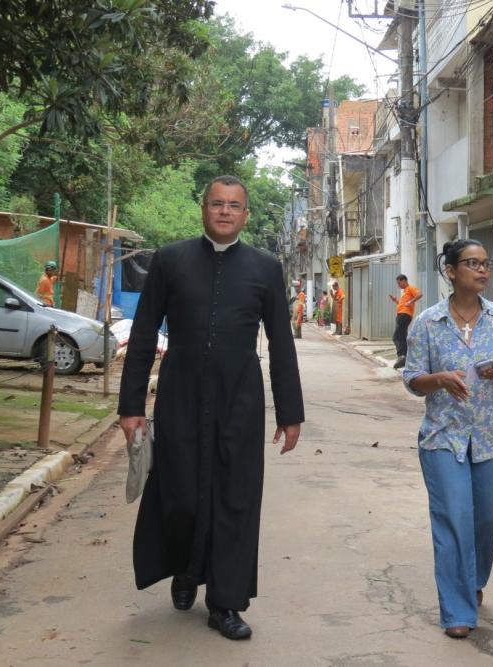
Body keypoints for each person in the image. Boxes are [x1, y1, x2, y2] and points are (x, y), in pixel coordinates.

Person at [118, 175, 304, 640]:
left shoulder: (265, 267)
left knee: (236, 497)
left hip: (240, 397)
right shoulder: (170, 260)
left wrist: (290, 412)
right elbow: (143, 333)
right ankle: (185, 569)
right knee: (180, 491)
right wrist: (131, 405)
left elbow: (281, 341)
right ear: (203, 209)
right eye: (217, 203)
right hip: (180, 393)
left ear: (245, 215)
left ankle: (226, 603)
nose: (224, 211)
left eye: (234, 205)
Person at [403, 239, 493, 639]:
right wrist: (439, 379)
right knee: (453, 518)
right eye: (472, 263)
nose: (482, 270)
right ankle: (457, 609)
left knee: (484, 519)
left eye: (486, 263)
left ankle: (474, 579)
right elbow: (412, 379)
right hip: (444, 437)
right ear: (451, 272)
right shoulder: (427, 322)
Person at [389, 274, 422, 369]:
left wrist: (410, 302)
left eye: (399, 283)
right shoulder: (405, 291)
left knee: (396, 337)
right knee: (402, 336)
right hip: (403, 315)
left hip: (404, 315)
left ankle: (401, 356)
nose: (398, 285)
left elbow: (419, 294)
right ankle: (405, 357)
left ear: (404, 281)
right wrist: (395, 300)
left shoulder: (410, 288)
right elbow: (402, 304)